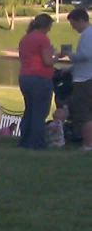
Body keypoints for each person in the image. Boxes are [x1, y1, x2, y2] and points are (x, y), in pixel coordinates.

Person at [17, 14, 58, 149]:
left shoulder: (25, 38)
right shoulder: (43, 39)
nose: (49, 30)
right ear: (46, 26)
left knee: (29, 109)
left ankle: (24, 140)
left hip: (25, 77)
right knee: (40, 112)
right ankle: (36, 143)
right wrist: (57, 56)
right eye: (49, 27)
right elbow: (47, 61)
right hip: (40, 78)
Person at [61, 8, 92, 151]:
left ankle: (86, 144)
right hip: (87, 75)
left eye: (74, 24)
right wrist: (71, 68)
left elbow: (85, 55)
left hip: (84, 80)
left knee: (83, 113)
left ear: (80, 20)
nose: (73, 28)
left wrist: (69, 54)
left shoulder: (87, 34)